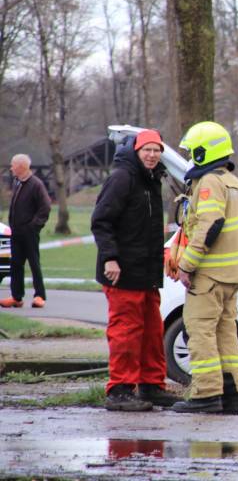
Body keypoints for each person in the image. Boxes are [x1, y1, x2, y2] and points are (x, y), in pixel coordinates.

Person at [91, 129, 177, 411]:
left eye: (156, 150)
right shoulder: (122, 178)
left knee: (152, 333)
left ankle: (152, 387)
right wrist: (110, 258)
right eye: (147, 150)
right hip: (122, 272)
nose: (152, 155)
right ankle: (120, 391)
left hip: (147, 274)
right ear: (137, 151)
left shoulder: (152, 180)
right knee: (125, 332)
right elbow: (101, 221)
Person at [171, 121, 238, 415]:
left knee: (200, 331)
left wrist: (188, 264)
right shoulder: (235, 183)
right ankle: (230, 395)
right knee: (225, 333)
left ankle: (206, 395)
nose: (191, 158)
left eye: (193, 152)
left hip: (209, 276)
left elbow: (211, 223)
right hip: (231, 276)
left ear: (205, 152)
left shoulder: (208, 183)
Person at [1, 154, 51, 308]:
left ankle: (39, 296)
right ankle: (17, 296)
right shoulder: (18, 183)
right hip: (16, 232)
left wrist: (34, 226)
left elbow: (45, 207)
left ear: (21, 166)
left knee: (34, 263)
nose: (11, 168)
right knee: (15, 264)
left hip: (29, 232)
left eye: (13, 165)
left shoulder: (36, 184)